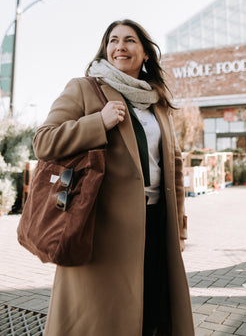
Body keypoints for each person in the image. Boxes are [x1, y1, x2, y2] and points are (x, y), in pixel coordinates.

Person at [33, 19, 195, 336]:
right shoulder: (84, 88)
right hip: (102, 230)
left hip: (156, 222)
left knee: (152, 313)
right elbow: (44, 142)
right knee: (103, 319)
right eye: (113, 40)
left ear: (146, 53)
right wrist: (98, 122)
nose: (120, 46)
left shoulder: (157, 100)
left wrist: (181, 228)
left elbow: (173, 167)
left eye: (130, 40)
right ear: (106, 49)